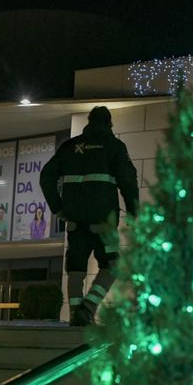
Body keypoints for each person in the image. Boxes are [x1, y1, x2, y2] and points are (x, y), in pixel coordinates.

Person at [40, 105, 139, 326]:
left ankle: (76, 315)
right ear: (109, 123)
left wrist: (58, 209)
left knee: (76, 267)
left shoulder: (69, 147)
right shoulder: (113, 146)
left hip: (75, 220)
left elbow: (46, 176)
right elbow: (128, 180)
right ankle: (88, 307)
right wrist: (134, 210)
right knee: (112, 264)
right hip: (104, 220)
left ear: (89, 122)